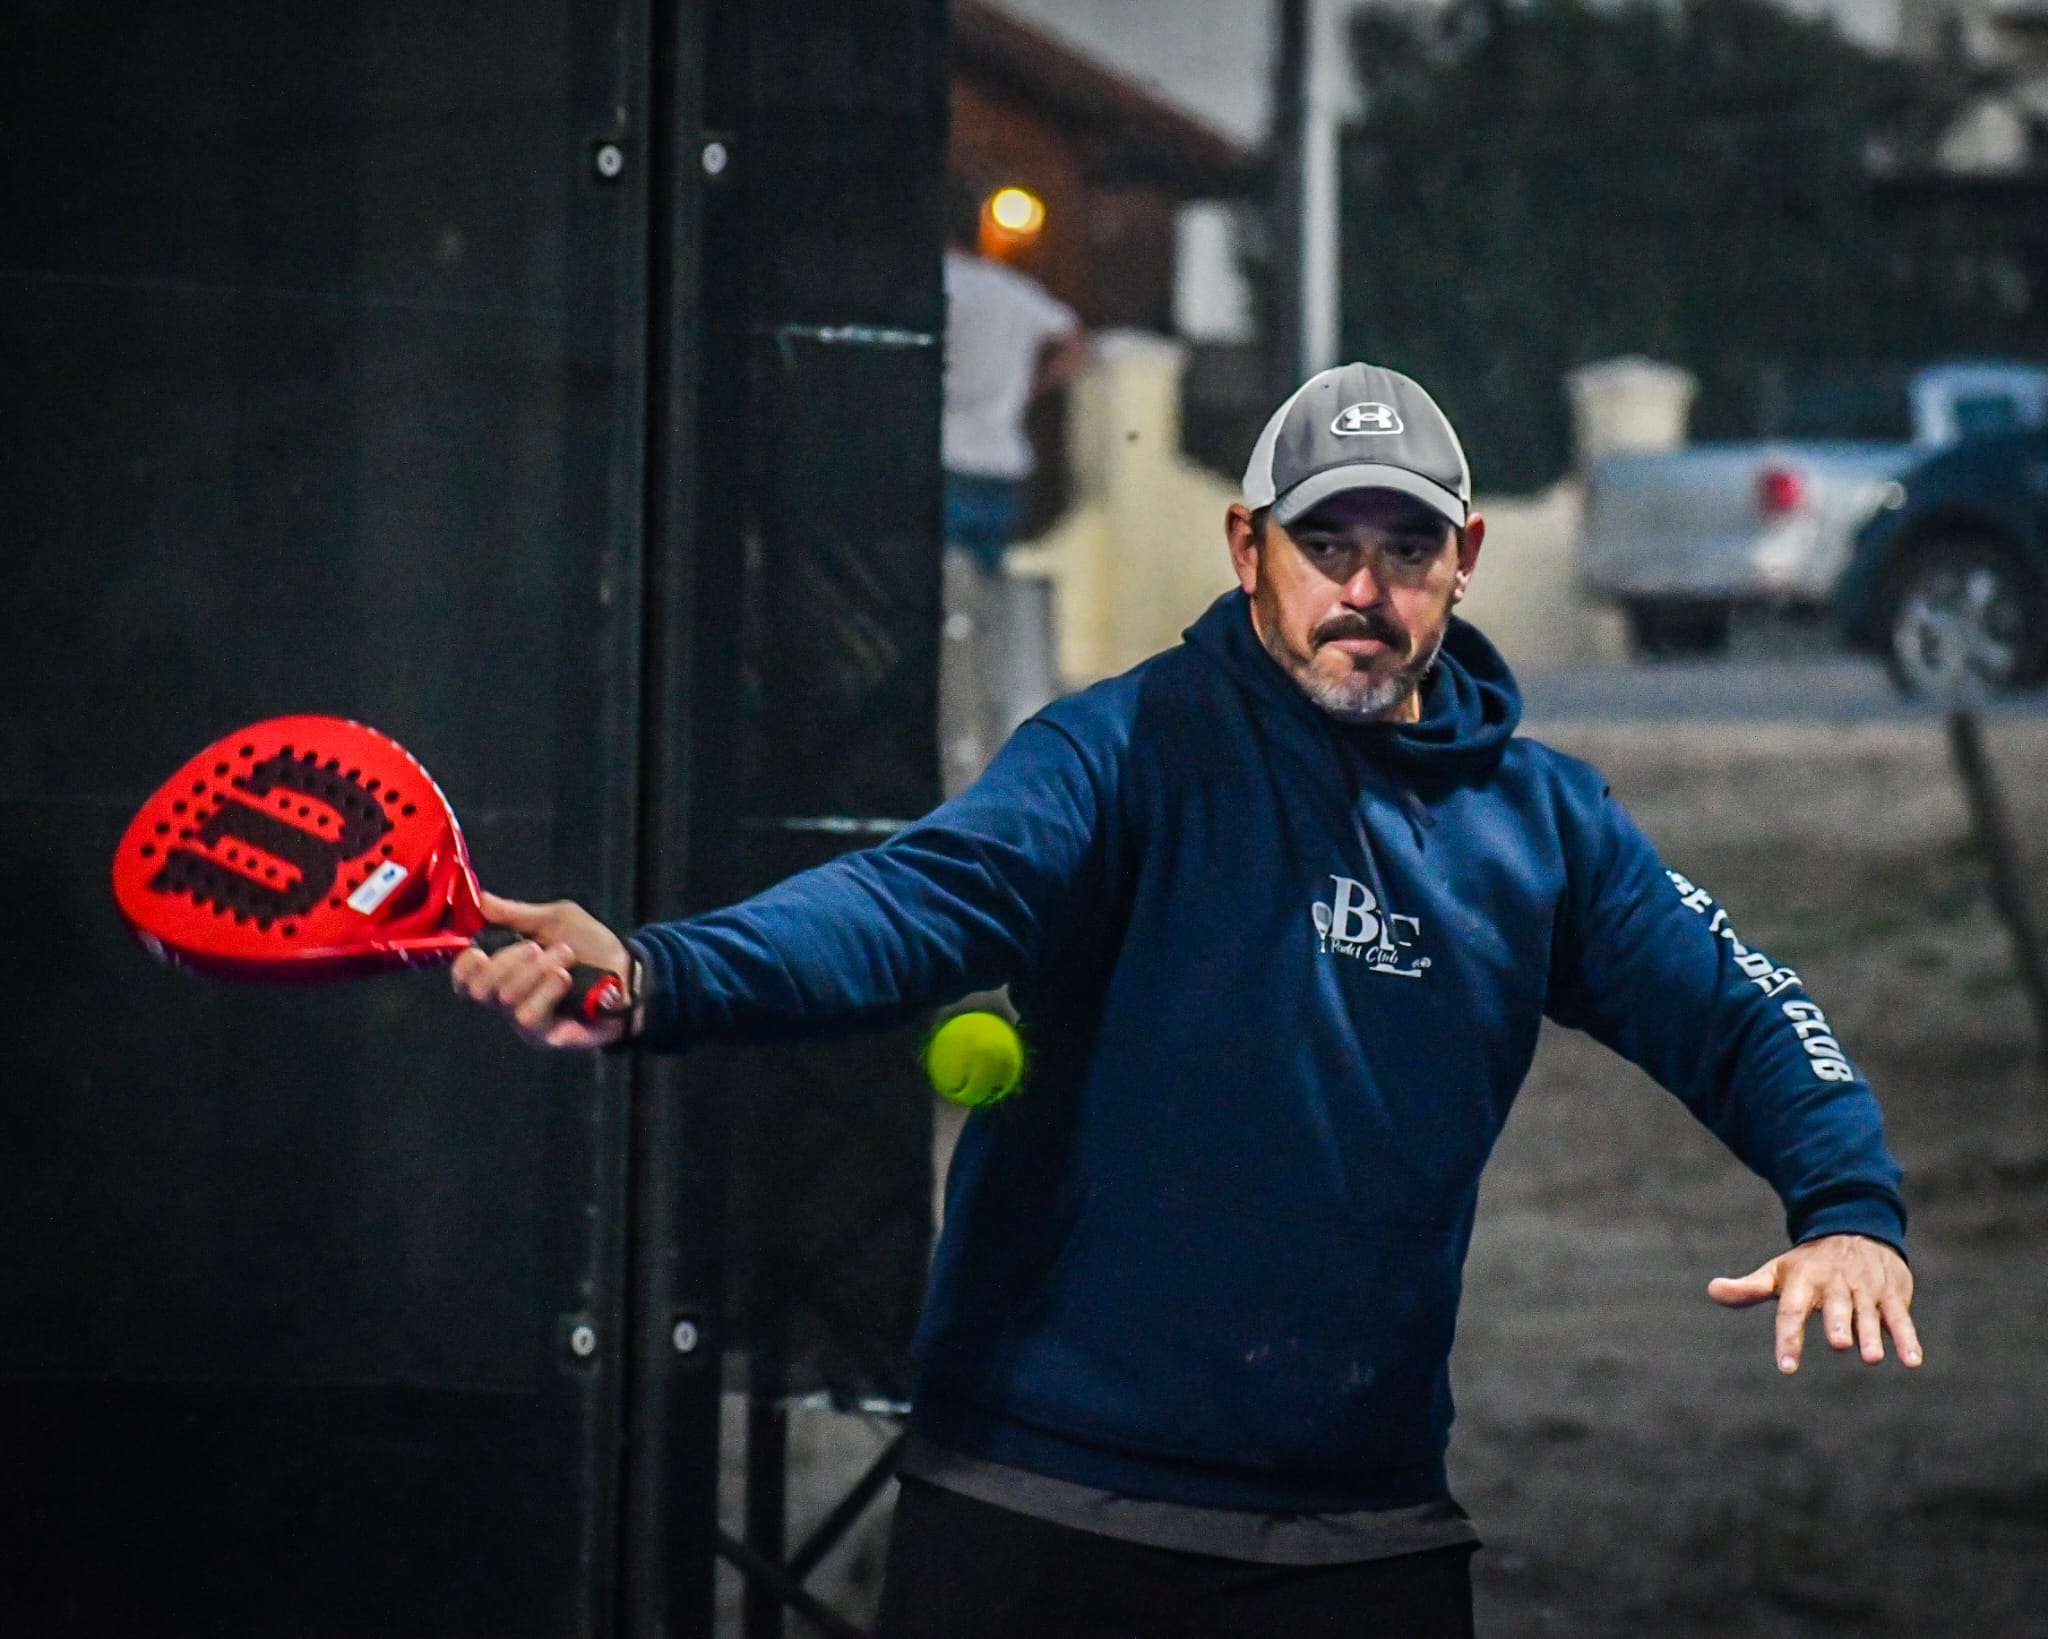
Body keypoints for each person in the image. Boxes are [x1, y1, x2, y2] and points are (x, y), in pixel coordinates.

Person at [453, 363, 1921, 1639]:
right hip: (1034, 1499)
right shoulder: (1122, 745)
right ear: (1247, 546)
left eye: (1408, 545)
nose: (1367, 584)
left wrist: (1845, 1199)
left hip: (1360, 1530)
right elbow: (913, 900)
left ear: (1465, 556)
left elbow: (1740, 1002)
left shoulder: (1543, 823)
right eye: (1326, 539)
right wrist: (661, 970)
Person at [938, 181, 1086, 795]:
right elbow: (1074, 339)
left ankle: (953, 735)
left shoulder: (936, 284)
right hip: (1000, 461)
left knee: (941, 611)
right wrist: (1029, 387)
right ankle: (982, 740)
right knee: (987, 603)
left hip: (943, 457)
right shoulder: (1015, 294)